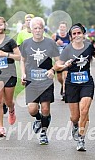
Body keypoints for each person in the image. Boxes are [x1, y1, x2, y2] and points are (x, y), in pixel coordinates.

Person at [54, 23, 95, 151]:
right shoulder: (67, 50)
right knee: (75, 116)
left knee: (84, 110)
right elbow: (57, 66)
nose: (77, 36)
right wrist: (65, 65)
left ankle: (81, 139)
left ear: (83, 34)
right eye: (74, 34)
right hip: (71, 84)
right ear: (71, 37)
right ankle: (75, 124)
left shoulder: (89, 46)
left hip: (87, 82)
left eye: (79, 33)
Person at [20, 17, 60, 145]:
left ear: (43, 29)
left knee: (45, 109)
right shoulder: (26, 43)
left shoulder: (50, 43)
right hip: (31, 81)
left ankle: (43, 132)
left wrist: (52, 70)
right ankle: (39, 119)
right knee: (32, 110)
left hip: (46, 81)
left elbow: (58, 61)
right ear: (31, 30)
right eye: (35, 28)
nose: (37, 30)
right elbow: (22, 59)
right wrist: (23, 74)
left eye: (40, 28)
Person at [0, 16, 21, 137]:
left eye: (0, 25)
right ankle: (0, 127)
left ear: (4, 26)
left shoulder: (10, 41)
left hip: (10, 74)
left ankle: (11, 110)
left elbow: (19, 56)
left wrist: (6, 54)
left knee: (8, 101)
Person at [51, 21, 70, 101]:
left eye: (63, 27)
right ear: (59, 28)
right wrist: (56, 43)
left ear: (66, 28)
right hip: (58, 60)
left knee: (65, 76)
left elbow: (73, 45)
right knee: (59, 78)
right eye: (61, 27)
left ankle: (65, 93)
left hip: (66, 60)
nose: (62, 28)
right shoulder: (55, 36)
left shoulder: (69, 36)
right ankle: (63, 85)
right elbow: (50, 46)